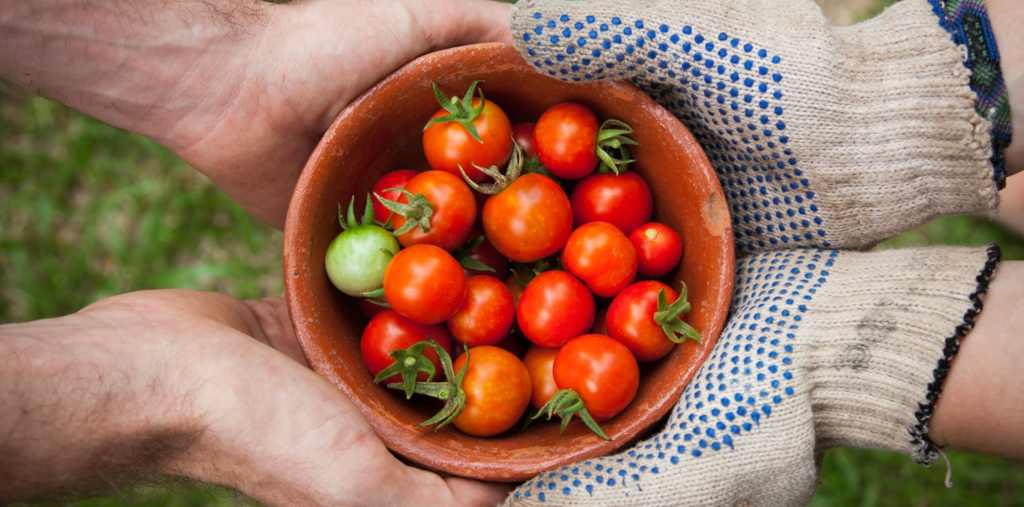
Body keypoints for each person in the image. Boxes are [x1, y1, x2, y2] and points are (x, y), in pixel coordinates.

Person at [0, 0, 1021, 506]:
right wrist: (163, 393)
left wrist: (896, 100)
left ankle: (951, 128)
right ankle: (955, 155)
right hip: (569, 315)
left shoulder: (476, 229)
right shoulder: (473, 267)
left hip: (575, 302)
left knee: (926, 122)